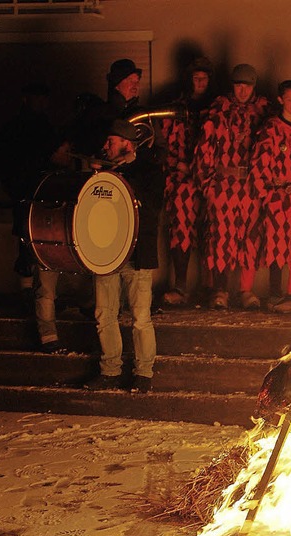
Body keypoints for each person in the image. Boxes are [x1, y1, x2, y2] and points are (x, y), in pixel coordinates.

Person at [84, 119, 165, 394]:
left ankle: (144, 373)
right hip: (107, 253)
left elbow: (153, 206)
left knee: (141, 316)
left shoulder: (149, 170)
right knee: (104, 313)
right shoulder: (102, 171)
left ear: (127, 144)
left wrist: (121, 174)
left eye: (111, 142)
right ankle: (110, 371)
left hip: (137, 254)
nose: (105, 146)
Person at [194, 63, 270, 310]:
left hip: (250, 184)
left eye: (247, 86)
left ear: (253, 87)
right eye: (238, 85)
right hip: (224, 183)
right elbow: (205, 149)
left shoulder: (263, 113)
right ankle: (221, 290)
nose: (243, 91)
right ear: (233, 86)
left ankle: (246, 290)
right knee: (221, 238)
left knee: (250, 237)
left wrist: (263, 186)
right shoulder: (219, 111)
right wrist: (208, 185)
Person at [249, 80, 291, 313]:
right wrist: (267, 194)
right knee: (276, 243)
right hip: (279, 196)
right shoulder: (271, 129)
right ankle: (275, 294)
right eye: (289, 99)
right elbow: (259, 165)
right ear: (280, 100)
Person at [0, 83, 63, 308]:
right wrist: (14, 186)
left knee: (43, 241)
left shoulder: (43, 126)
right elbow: (2, 160)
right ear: (26, 99)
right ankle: (29, 294)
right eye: (39, 98)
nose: (43, 103)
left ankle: (41, 296)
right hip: (27, 192)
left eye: (45, 98)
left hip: (43, 193)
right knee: (28, 240)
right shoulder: (17, 128)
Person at [161, 57, 218, 307]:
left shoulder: (218, 109)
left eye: (204, 78)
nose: (200, 82)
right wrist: (178, 165)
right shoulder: (176, 108)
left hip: (211, 181)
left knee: (214, 230)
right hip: (182, 180)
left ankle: (210, 288)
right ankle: (181, 285)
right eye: (196, 78)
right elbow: (165, 143)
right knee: (181, 230)